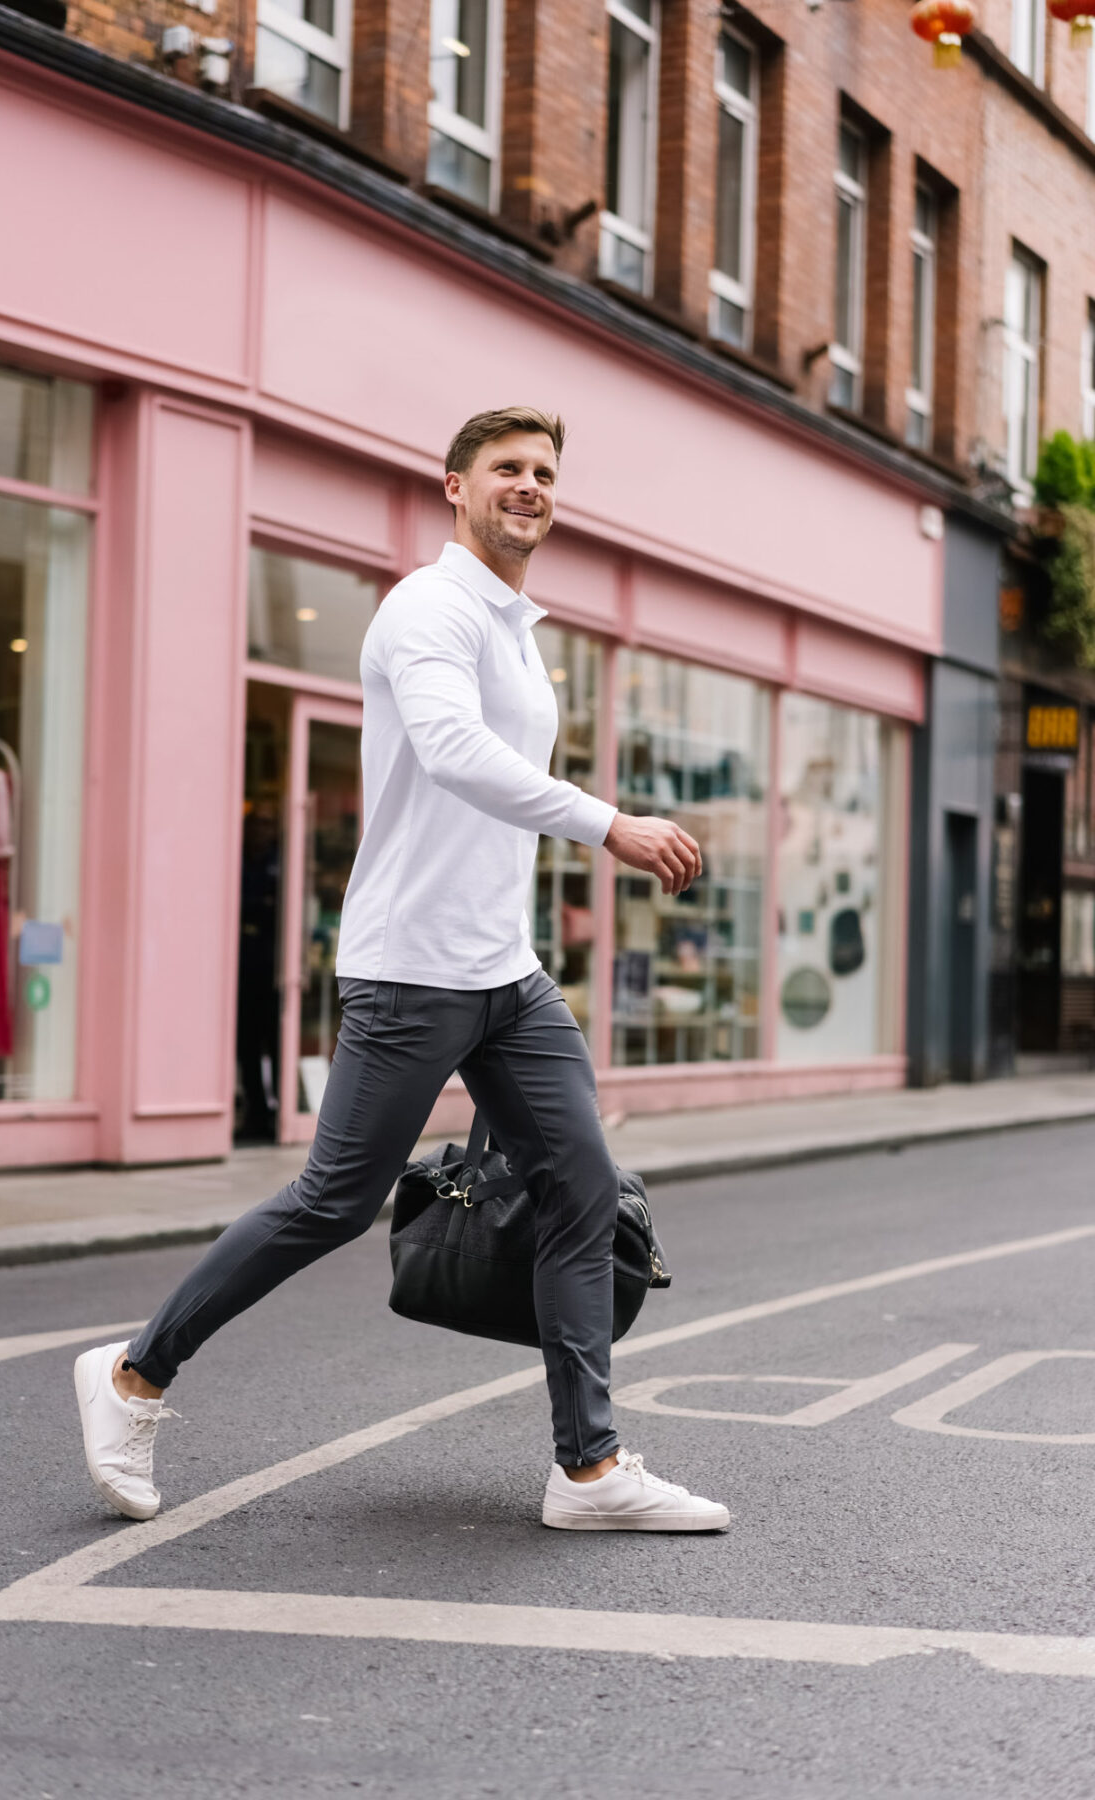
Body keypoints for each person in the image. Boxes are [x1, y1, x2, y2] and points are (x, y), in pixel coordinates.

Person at [75, 407, 730, 1535]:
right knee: (333, 1202)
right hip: (410, 972)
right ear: (454, 487)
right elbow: (452, 753)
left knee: (583, 1189)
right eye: (506, 471)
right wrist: (607, 824)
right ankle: (134, 1374)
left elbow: (490, 793)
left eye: (544, 473)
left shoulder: (518, 627)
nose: (528, 487)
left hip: (505, 975)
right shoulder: (427, 608)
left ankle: (590, 1471)